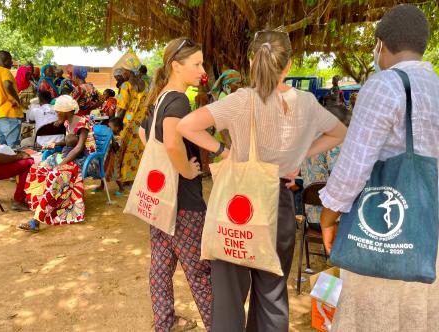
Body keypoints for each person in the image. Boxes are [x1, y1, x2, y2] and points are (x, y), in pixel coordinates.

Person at [177, 29, 346, 332]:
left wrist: (224, 151)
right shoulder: (306, 103)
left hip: (237, 205)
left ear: (252, 60)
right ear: (289, 65)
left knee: (229, 299)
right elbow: (339, 134)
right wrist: (300, 155)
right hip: (278, 204)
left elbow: (187, 125)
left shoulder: (241, 101)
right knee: (272, 295)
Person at [319, 5, 439, 332]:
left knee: (376, 318)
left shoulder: (384, 84)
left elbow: (354, 165)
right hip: (428, 238)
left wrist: (328, 217)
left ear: (381, 44)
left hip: (382, 242)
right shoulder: (435, 86)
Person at [138, 38, 212, 332]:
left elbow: (145, 135)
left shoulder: (160, 99)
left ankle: (164, 325)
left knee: (160, 266)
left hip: (160, 200)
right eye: (196, 64)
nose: (202, 70)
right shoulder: (179, 100)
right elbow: (170, 143)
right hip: (184, 202)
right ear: (176, 66)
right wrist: (188, 171)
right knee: (201, 273)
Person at [18, 95, 99, 232]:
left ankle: (36, 220)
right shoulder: (67, 122)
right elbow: (69, 142)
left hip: (84, 160)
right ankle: (41, 205)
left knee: (54, 175)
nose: (56, 114)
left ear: (65, 111)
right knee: (37, 169)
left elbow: (79, 147)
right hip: (69, 156)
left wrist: (61, 164)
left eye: (57, 112)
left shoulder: (82, 123)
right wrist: (55, 144)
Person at [114, 52, 148, 194]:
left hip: (128, 123)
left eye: (123, 71)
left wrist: (115, 124)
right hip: (142, 123)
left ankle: (125, 180)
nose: (122, 74)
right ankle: (136, 179)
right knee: (137, 151)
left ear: (129, 72)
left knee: (123, 151)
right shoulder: (145, 84)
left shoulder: (126, 86)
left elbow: (121, 108)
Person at [95, 116, 124, 195]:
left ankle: (121, 188)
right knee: (103, 170)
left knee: (115, 174)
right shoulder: (108, 135)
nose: (108, 129)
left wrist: (111, 138)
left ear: (117, 128)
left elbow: (116, 148)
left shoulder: (118, 138)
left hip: (113, 160)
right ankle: (102, 186)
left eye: (110, 127)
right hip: (106, 157)